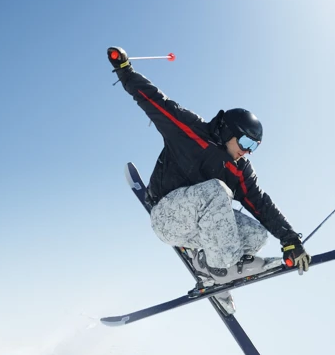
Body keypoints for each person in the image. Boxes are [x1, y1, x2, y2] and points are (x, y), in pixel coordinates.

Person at [106, 46, 309, 313]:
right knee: (216, 190)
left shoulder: (240, 169)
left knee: (257, 235)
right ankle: (222, 269)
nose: (248, 151)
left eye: (254, 147)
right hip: (167, 216)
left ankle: (208, 267)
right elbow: (154, 100)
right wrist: (125, 70)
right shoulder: (191, 131)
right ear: (229, 131)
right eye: (246, 142)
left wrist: (290, 239)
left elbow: (261, 203)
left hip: (200, 231)